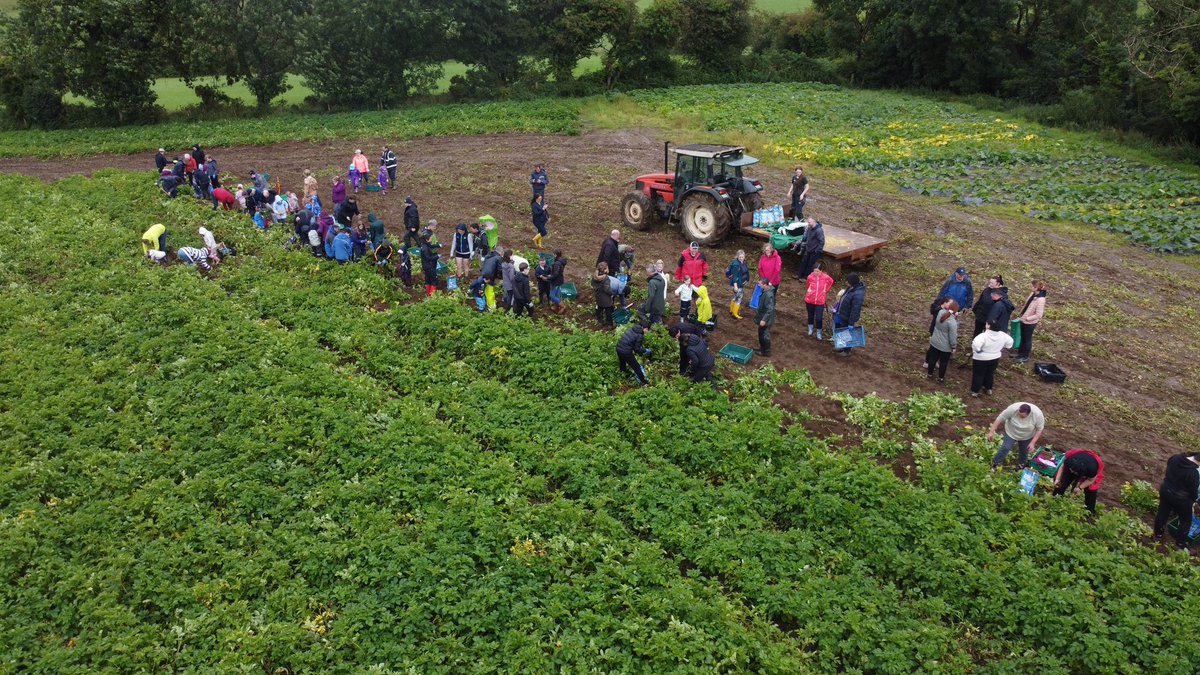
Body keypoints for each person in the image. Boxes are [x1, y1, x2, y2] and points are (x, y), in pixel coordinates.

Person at [1153, 452, 1200, 549]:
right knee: (1186, 520)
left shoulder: (1176, 458)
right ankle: (1180, 544)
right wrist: (1195, 500)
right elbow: (1193, 492)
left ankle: (1158, 535)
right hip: (1181, 499)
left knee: (1162, 512)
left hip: (1166, 490)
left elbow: (1169, 465)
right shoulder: (1193, 473)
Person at [987, 402, 1045, 469]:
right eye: (1019, 414)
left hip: (1027, 436)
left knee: (1024, 451)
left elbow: (1039, 429)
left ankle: (1021, 465)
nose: (1020, 417)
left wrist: (1032, 443)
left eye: (1022, 416)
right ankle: (994, 463)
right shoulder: (1012, 409)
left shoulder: (1037, 415)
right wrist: (991, 431)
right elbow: (1000, 418)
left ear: (1028, 414)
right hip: (1011, 432)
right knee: (1005, 447)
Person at [1053, 449, 1103, 514]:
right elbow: (1062, 467)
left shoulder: (1092, 469)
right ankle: (1055, 499)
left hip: (1090, 468)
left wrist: (1080, 488)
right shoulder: (1070, 460)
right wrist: (1057, 480)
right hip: (1077, 461)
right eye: (1071, 470)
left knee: (1091, 490)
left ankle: (1089, 511)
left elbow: (1091, 480)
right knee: (1062, 483)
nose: (1071, 472)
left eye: (1073, 472)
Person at [970, 320, 1012, 396]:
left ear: (988, 326)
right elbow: (1010, 342)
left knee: (978, 374)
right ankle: (988, 388)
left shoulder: (983, 336)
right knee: (990, 373)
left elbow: (976, 345)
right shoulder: (1002, 335)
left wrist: (978, 351)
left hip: (981, 359)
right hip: (995, 357)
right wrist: (1004, 346)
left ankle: (975, 391)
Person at [926, 299, 959, 383]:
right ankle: (940, 378)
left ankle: (929, 373)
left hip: (935, 341)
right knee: (943, 362)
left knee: (933, 359)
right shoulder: (952, 322)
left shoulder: (940, 313)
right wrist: (953, 346)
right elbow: (952, 337)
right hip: (945, 346)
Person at [833, 272, 866, 356]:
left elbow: (855, 310)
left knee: (847, 333)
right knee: (842, 331)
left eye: (847, 281)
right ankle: (841, 346)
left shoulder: (858, 294)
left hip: (848, 317)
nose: (846, 282)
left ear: (852, 282)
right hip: (842, 314)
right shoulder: (850, 288)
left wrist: (851, 323)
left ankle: (846, 351)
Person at [1014, 280, 1047, 363]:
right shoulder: (1033, 294)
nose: (1029, 287)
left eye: (1031, 286)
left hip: (1029, 323)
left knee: (1027, 339)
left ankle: (1025, 356)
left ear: (1036, 288)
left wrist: (1028, 318)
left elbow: (1039, 314)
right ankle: (1020, 353)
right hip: (1023, 319)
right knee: (1023, 337)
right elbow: (1027, 305)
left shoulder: (1041, 300)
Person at [932, 267, 973, 334]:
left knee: (953, 319)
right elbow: (942, 292)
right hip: (948, 305)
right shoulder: (950, 281)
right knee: (944, 317)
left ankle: (950, 331)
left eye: (963, 275)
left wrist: (968, 306)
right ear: (956, 274)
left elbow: (970, 294)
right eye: (960, 275)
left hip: (958, 306)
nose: (961, 277)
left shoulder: (967, 282)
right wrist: (938, 302)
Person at [804, 259, 834, 339]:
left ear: (821, 271)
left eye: (817, 271)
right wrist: (810, 292)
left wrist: (825, 290)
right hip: (810, 300)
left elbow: (831, 282)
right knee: (810, 315)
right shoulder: (810, 277)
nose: (816, 273)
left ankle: (819, 332)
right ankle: (810, 328)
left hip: (820, 301)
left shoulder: (826, 277)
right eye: (814, 271)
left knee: (819, 317)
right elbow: (808, 285)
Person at [725, 249, 749, 320]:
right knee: (738, 298)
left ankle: (732, 310)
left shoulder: (742, 262)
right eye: (740, 257)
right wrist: (735, 286)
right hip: (737, 284)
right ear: (737, 257)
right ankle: (735, 314)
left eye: (742, 257)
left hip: (739, 283)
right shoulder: (736, 265)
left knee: (735, 297)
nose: (741, 258)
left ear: (744, 256)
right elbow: (735, 275)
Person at [755, 277, 776, 357]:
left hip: (766, 319)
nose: (759, 285)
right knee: (761, 333)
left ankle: (766, 352)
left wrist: (764, 320)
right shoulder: (765, 291)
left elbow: (770, 309)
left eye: (760, 284)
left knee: (764, 334)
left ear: (764, 285)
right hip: (763, 316)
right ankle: (762, 348)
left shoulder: (768, 295)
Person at [480, 246, 503, 311]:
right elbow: (499, 269)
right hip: (489, 275)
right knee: (490, 291)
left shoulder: (488, 255)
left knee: (486, 290)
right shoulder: (498, 258)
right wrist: (500, 277)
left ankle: (487, 304)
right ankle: (491, 307)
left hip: (483, 274)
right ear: (501, 252)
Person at [420, 232, 440, 297]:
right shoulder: (425, 248)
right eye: (430, 238)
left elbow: (431, 246)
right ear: (427, 240)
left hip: (426, 266)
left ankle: (428, 295)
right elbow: (428, 258)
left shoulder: (424, 245)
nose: (431, 239)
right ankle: (432, 296)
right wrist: (437, 256)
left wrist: (437, 245)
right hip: (430, 266)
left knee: (428, 280)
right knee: (434, 280)